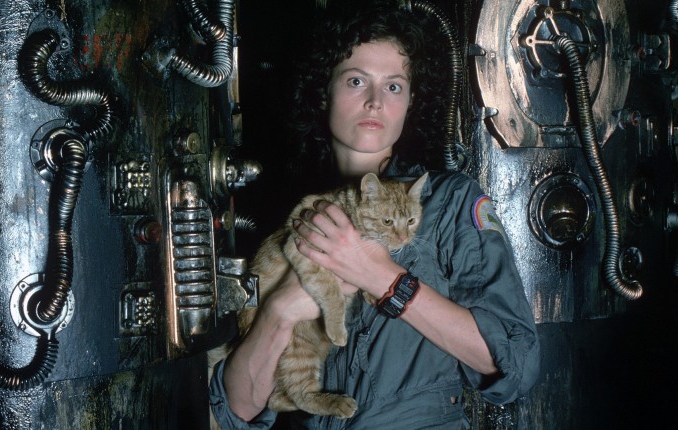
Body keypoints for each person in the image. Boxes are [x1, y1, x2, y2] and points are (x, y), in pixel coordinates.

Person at [209, 0, 540, 428]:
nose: (374, 102)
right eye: (356, 81)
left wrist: (380, 277)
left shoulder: (449, 203)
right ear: (323, 91)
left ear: (411, 101)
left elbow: (517, 367)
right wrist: (279, 310)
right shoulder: (296, 220)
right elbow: (236, 411)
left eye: (394, 87)